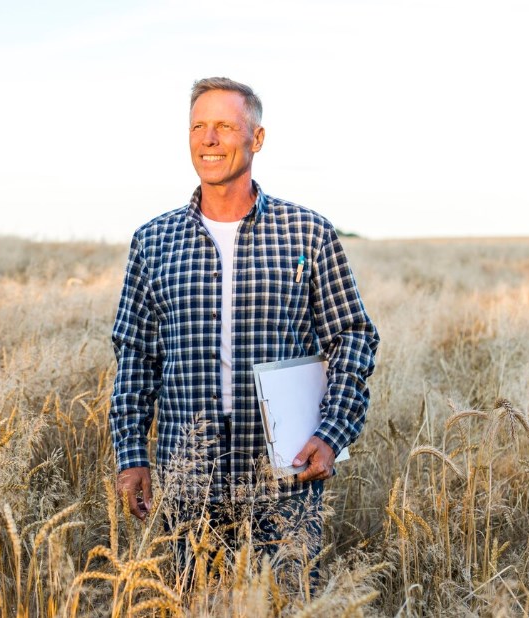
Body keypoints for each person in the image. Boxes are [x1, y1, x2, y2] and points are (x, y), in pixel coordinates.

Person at [109, 77, 379, 585]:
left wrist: (331, 432)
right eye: (198, 126)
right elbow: (135, 356)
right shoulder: (153, 241)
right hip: (187, 480)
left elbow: (353, 336)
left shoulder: (308, 233)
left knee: (286, 603)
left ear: (256, 139)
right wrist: (131, 456)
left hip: (282, 481)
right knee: (193, 603)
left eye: (225, 126)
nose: (208, 139)